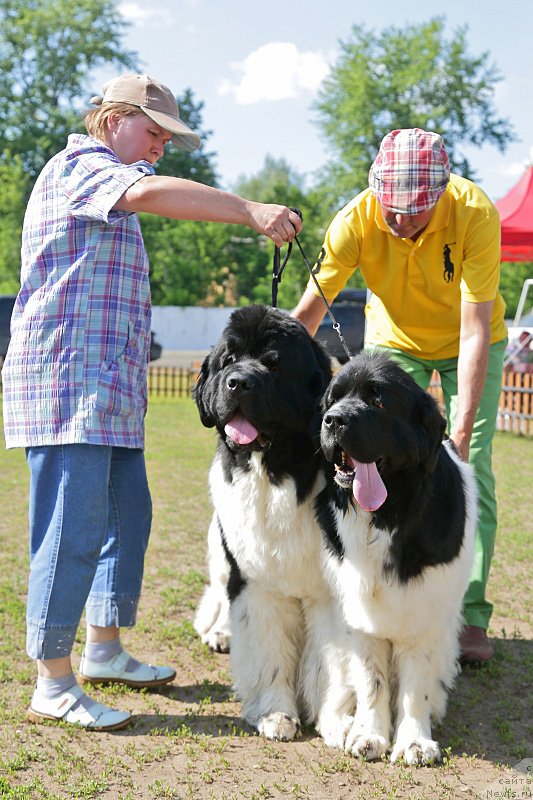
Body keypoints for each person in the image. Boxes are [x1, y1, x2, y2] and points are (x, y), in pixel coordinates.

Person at [1, 73, 302, 731]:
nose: (163, 146)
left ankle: (103, 650)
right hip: (67, 384)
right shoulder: (83, 165)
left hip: (106, 389)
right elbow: (148, 192)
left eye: (169, 137)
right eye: (155, 131)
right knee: (72, 526)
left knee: (125, 517)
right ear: (112, 118)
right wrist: (248, 210)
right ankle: (53, 680)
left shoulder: (116, 181)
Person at [293, 128, 507, 666]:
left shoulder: (474, 213)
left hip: (470, 340)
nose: (398, 220)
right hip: (393, 346)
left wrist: (457, 430)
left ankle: (469, 613)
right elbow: (309, 311)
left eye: (413, 212)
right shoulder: (357, 218)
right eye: (390, 207)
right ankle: (376, 591)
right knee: (375, 462)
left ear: (440, 193)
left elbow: (476, 329)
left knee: (470, 464)